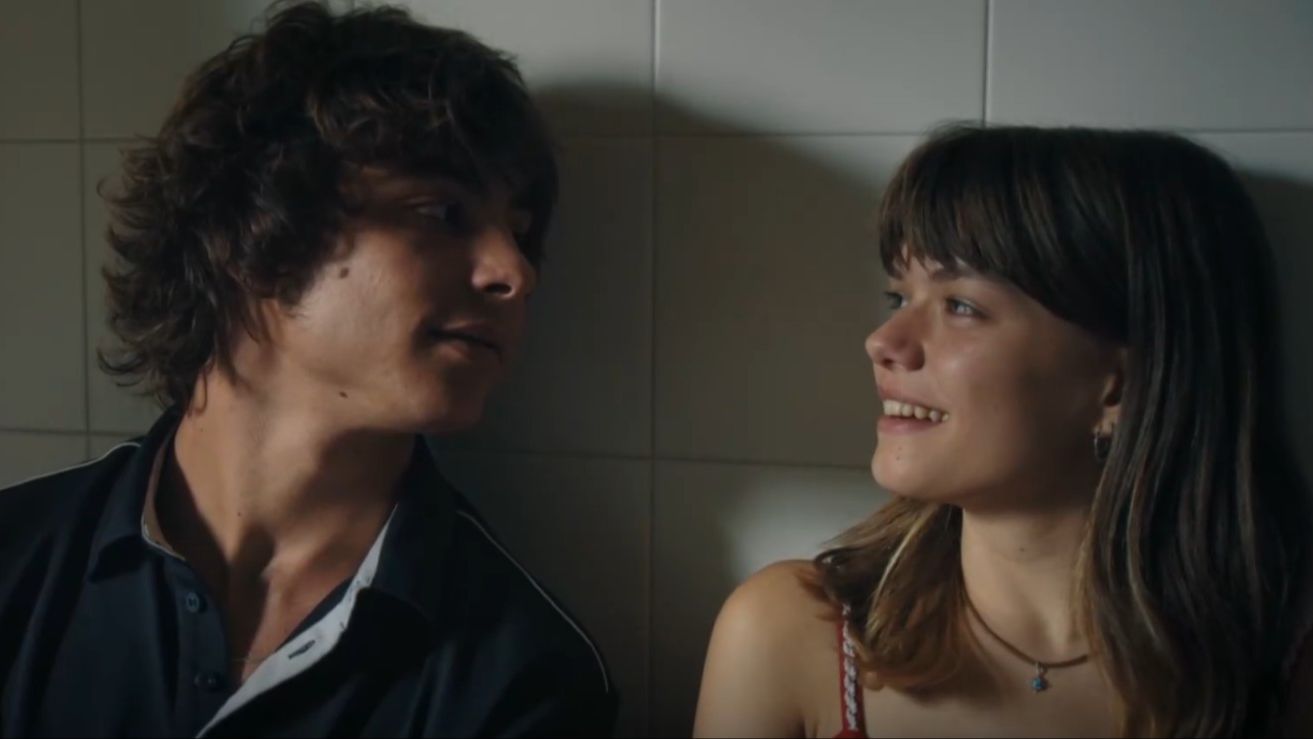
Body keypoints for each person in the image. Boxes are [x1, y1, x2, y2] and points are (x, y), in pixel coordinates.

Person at [0, 2, 614, 736]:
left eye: (521, 234)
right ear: (252, 232)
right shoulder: (15, 562)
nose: (515, 272)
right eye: (442, 212)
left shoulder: (521, 676)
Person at [693, 125, 1313, 737]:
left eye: (961, 306)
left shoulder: (1287, 670)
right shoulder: (791, 634)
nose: (883, 341)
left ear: (1119, 386)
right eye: (897, 298)